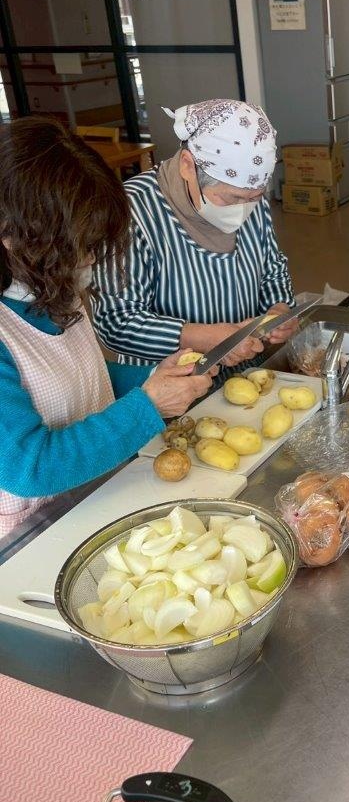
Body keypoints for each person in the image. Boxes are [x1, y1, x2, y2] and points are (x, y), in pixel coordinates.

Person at [0, 117, 215, 537]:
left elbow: (81, 379)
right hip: (30, 532)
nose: (89, 259)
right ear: (12, 235)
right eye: (76, 246)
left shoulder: (52, 289)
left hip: (90, 493)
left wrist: (152, 378)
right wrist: (148, 407)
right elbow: (30, 467)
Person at [92, 99, 296, 373]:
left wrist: (279, 309)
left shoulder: (249, 196)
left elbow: (272, 267)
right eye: (231, 198)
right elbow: (115, 323)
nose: (243, 210)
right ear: (188, 166)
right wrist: (202, 337)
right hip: (171, 383)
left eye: (254, 198)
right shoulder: (131, 213)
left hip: (248, 373)